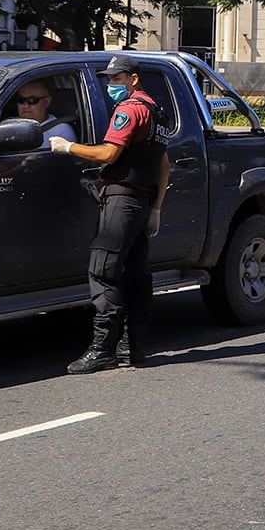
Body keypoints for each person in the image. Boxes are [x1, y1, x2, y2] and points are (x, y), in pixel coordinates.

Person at [49, 55, 168, 372]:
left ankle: (103, 349)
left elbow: (108, 153)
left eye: (117, 79)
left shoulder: (129, 110)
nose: (111, 85)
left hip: (121, 200)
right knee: (137, 275)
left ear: (133, 79)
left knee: (103, 271)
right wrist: (156, 208)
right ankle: (133, 347)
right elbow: (163, 165)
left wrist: (67, 147)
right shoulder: (155, 110)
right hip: (141, 203)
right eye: (109, 80)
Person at [11, 83, 76, 144]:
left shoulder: (60, 131)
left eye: (32, 100)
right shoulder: (10, 126)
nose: (25, 106)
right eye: (21, 100)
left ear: (47, 102)